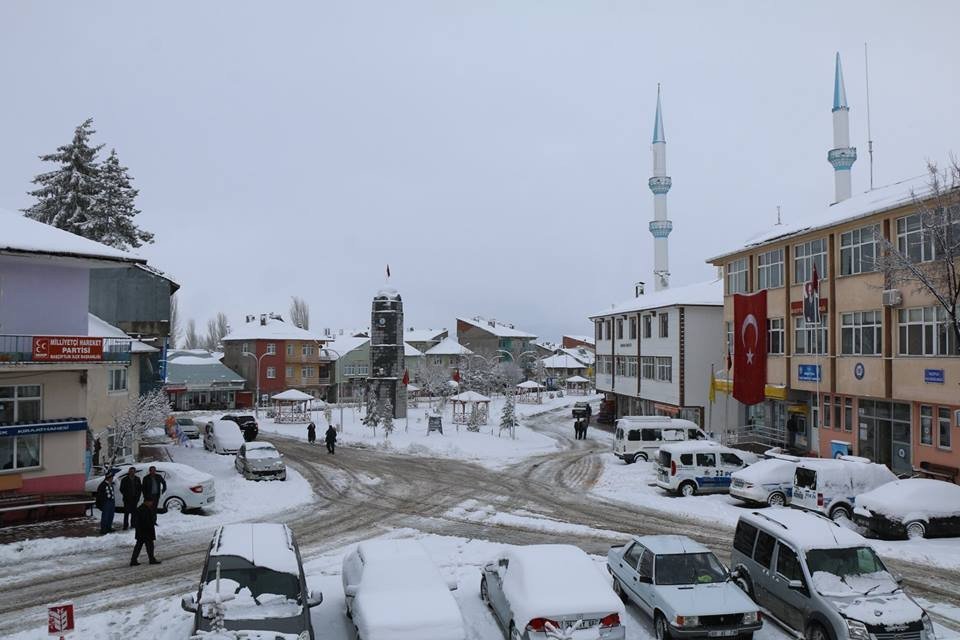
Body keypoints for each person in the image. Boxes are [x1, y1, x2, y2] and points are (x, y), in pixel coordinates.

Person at [130, 499, 161, 566]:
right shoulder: (144, 509)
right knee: (149, 546)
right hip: (146, 531)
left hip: (141, 532)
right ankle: (151, 559)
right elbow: (145, 521)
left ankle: (134, 560)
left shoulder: (143, 508)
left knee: (139, 546)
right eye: (150, 502)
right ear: (146, 502)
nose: (152, 503)